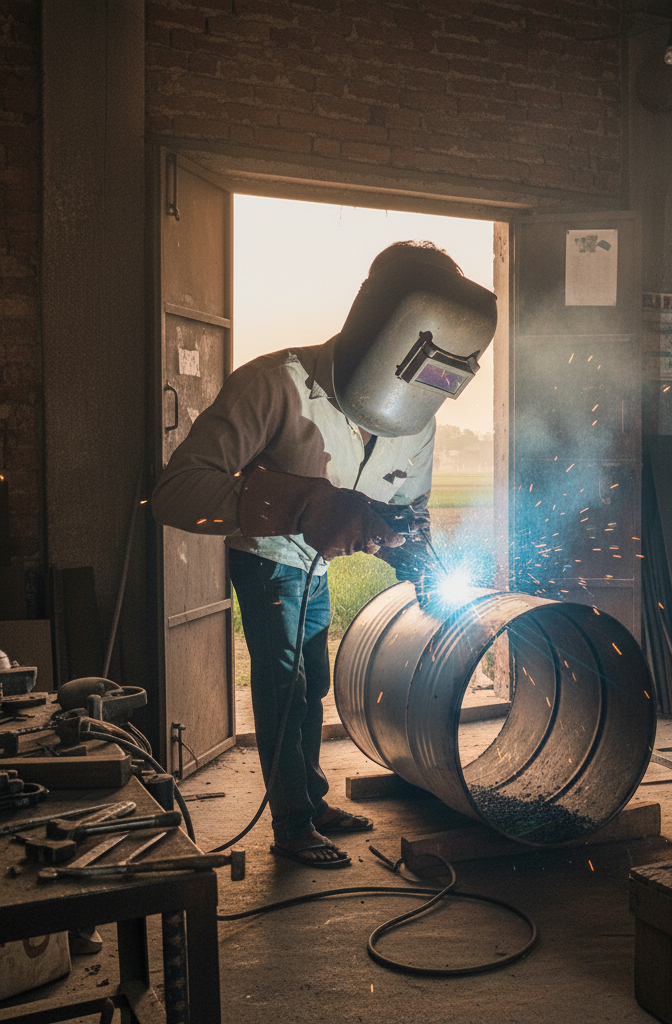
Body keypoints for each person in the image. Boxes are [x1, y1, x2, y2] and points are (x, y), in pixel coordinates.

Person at [152, 240, 497, 867]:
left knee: (310, 683)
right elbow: (177, 492)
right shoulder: (274, 385)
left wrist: (422, 561)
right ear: (381, 332)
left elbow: (409, 511)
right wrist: (302, 505)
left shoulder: (418, 412)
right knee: (285, 683)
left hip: (318, 569)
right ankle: (290, 823)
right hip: (270, 560)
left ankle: (309, 800)